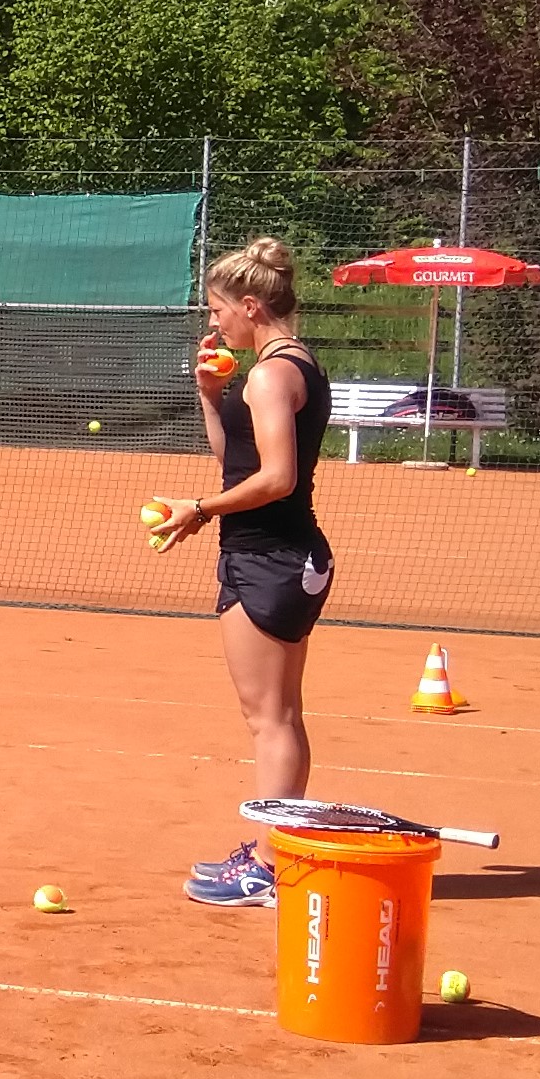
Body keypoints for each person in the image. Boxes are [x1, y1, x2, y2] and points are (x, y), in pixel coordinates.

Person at [153, 237, 338, 910]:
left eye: (217, 309)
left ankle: (267, 866)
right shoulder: (290, 365)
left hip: (270, 559)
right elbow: (240, 462)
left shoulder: (269, 375)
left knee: (269, 721)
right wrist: (210, 396)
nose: (213, 322)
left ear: (251, 306)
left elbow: (276, 478)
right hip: (278, 556)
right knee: (279, 715)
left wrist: (199, 509)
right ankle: (273, 852)